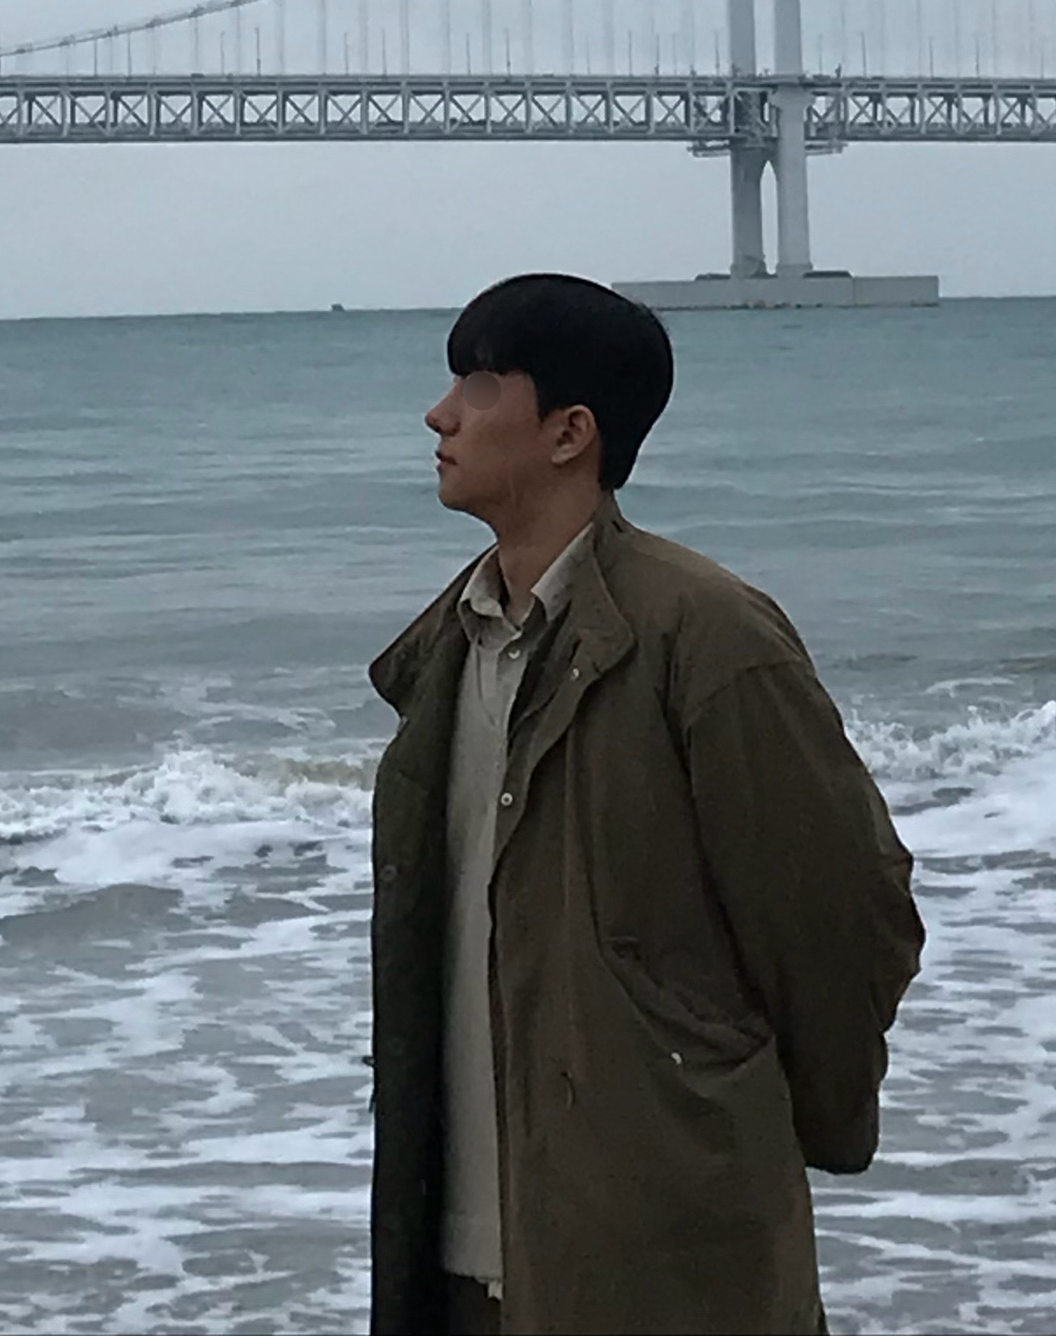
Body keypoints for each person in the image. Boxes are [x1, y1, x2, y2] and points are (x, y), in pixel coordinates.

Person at [367, 273, 925, 1336]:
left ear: (569, 432)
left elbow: (844, 911)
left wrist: (744, 1119)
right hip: (460, 1257)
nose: (440, 416)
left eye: (479, 385)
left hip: (661, 1265)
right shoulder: (449, 645)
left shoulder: (707, 636)